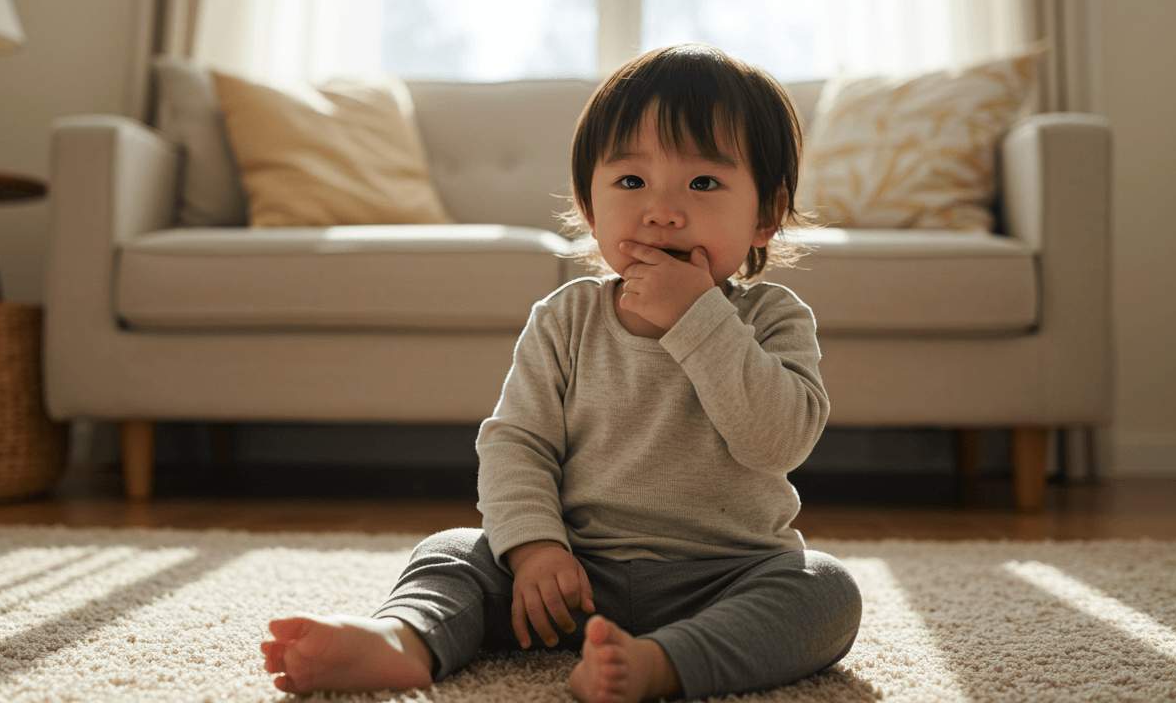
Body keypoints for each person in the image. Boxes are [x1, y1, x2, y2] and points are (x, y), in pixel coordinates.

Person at [261, 43, 863, 703]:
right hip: (571, 579)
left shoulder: (774, 319)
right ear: (588, 204)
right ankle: (403, 639)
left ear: (766, 216)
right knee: (454, 551)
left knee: (825, 590)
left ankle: (662, 663)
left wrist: (697, 317)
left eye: (703, 183)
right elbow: (517, 443)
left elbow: (775, 442)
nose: (661, 209)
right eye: (630, 182)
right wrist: (535, 550)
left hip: (722, 578)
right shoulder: (566, 318)